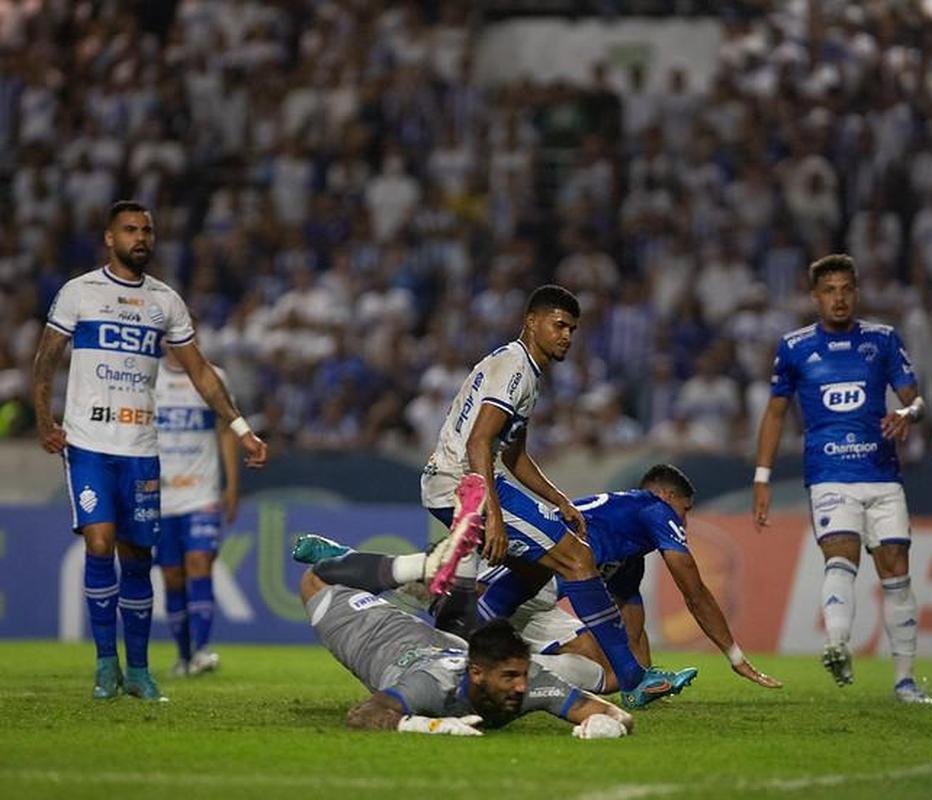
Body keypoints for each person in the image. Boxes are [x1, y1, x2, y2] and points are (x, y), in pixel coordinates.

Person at [31, 201, 267, 701]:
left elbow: (201, 372)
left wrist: (241, 428)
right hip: (89, 444)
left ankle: (138, 671)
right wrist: (44, 418)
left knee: (137, 557)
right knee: (99, 543)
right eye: (130, 230)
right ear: (109, 238)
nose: (140, 238)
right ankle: (105, 666)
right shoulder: (79, 292)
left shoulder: (165, 301)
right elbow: (46, 357)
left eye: (146, 230)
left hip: (140, 449)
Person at [415, 285, 694, 708]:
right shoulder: (515, 367)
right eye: (559, 325)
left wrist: (559, 499)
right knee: (577, 557)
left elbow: (514, 454)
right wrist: (492, 515)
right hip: (462, 481)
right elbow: (478, 442)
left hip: (467, 479)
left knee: (534, 572)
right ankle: (634, 678)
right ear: (532, 322)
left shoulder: (525, 370)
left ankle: (456, 644)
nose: (566, 336)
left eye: (572, 329)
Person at [294, 464, 779, 695]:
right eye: (685, 510)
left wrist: (642, 675)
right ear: (666, 498)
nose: (684, 522)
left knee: (599, 662)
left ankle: (355, 561)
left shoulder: (626, 543)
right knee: (459, 614)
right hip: (528, 570)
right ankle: (356, 566)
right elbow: (694, 592)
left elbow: (631, 624)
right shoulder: (654, 509)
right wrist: (735, 657)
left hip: (541, 590)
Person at [752, 253, 932, 704]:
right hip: (829, 474)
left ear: (856, 293)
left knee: (896, 569)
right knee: (841, 556)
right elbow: (775, 413)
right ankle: (837, 643)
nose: (839, 299)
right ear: (815, 297)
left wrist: (907, 414)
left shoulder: (883, 340)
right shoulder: (794, 347)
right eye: (829, 291)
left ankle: (905, 681)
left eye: (846, 290)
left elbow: (916, 400)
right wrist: (762, 477)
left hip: (882, 474)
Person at [298, 567, 634, 738]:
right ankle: (392, 567)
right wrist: (432, 726)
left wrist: (611, 724)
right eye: (509, 677)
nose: (521, 686)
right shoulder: (431, 686)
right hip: (378, 640)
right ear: (477, 674)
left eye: (521, 674)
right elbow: (362, 716)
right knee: (315, 581)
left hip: (443, 645)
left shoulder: (531, 682)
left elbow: (613, 713)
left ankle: (422, 588)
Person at [155, 344, 240, 677]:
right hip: (161, 494)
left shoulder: (214, 377)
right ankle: (184, 655)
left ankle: (202, 650)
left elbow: (226, 430)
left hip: (201, 490)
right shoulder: (149, 376)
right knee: (172, 575)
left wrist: (232, 485)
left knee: (200, 562)